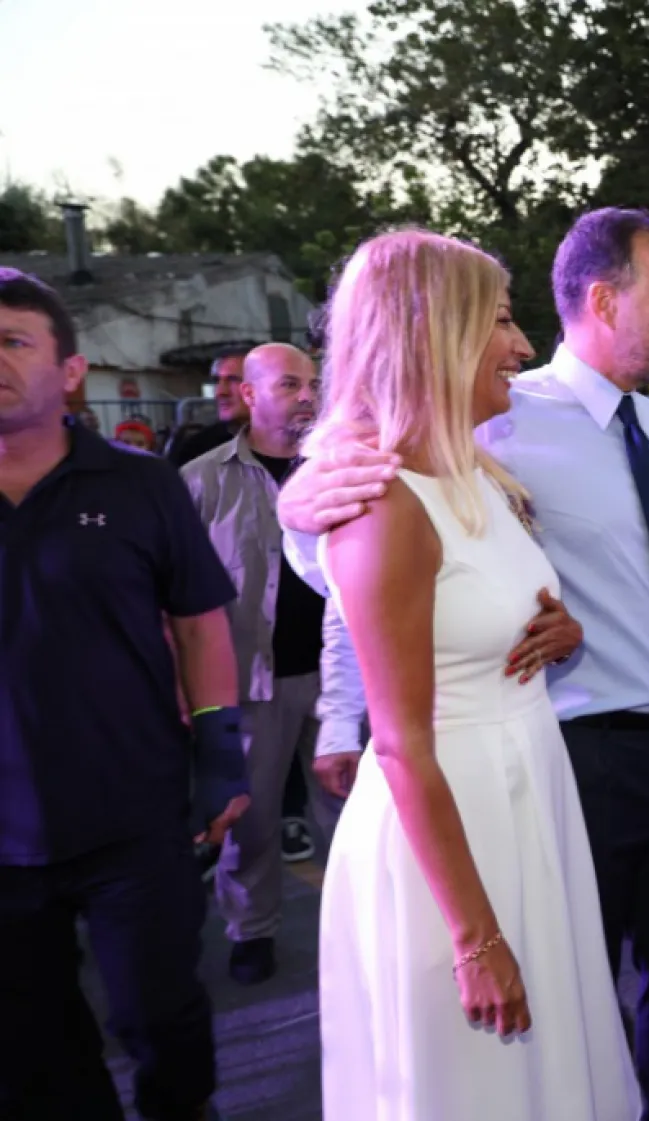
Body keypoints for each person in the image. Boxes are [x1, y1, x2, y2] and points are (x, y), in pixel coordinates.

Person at [282, 209, 649, 1121]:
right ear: (604, 299)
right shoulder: (495, 420)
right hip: (570, 758)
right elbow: (369, 573)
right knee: (534, 1033)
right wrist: (298, 513)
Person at [0, 267, 248, 1121]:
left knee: (161, 1018)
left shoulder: (141, 485)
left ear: (70, 370)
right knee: (31, 1045)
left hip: (134, 814)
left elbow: (199, 625)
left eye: (12, 341)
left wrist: (221, 755)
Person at [180, 342, 339, 985]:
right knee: (254, 820)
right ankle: (253, 930)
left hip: (338, 677)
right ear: (248, 395)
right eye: (289, 385)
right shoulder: (201, 482)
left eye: (313, 384)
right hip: (251, 680)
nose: (307, 396)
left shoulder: (340, 469)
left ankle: (359, 931)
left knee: (349, 812)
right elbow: (175, 596)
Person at [168, 350, 249, 467]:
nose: (220, 392)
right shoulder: (195, 448)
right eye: (216, 381)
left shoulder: (283, 445)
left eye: (233, 380)